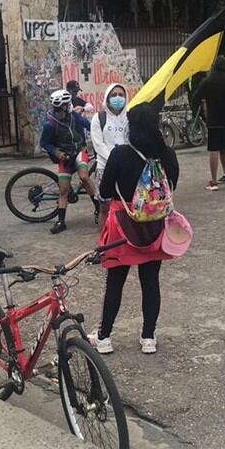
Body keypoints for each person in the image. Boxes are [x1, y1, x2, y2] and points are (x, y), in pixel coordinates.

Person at [90, 104, 180, 355]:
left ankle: (104, 337)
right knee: (150, 281)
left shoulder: (120, 154)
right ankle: (148, 337)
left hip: (123, 227)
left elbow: (106, 191)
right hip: (153, 227)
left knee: (116, 282)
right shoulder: (168, 155)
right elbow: (172, 186)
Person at [39, 89, 98, 234]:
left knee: (84, 177)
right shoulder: (50, 125)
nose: (70, 105)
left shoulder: (74, 116)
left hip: (79, 151)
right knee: (64, 189)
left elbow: (89, 125)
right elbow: (45, 144)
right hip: (64, 156)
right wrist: (58, 153)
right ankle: (61, 221)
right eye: (68, 103)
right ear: (62, 106)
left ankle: (99, 209)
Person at [189, 55, 225, 190]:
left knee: (214, 150)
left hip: (214, 120)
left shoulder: (207, 81)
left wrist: (202, 113)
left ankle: (214, 182)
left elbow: (195, 99)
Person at [90, 83, 129, 230]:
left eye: (121, 95)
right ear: (107, 98)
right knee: (105, 207)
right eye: (114, 95)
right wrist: (114, 161)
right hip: (104, 168)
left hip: (126, 170)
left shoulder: (129, 117)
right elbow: (98, 144)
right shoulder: (98, 118)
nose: (118, 98)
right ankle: (104, 241)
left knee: (125, 206)